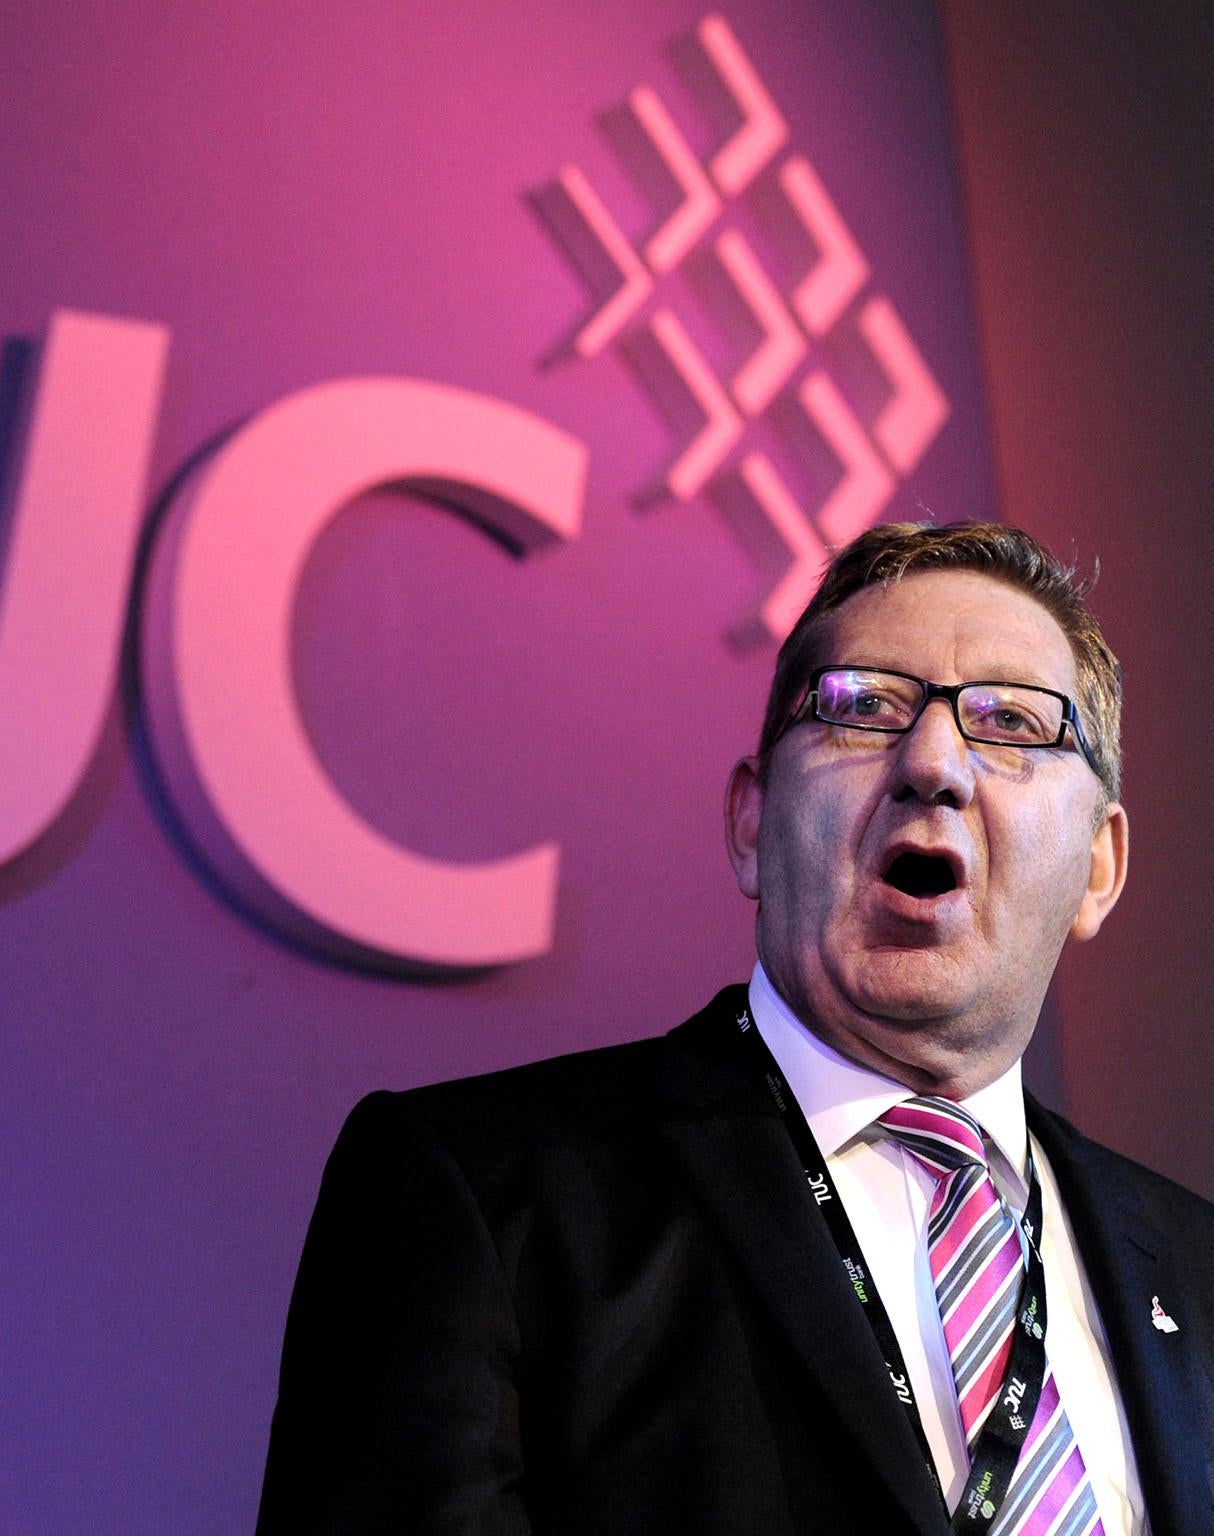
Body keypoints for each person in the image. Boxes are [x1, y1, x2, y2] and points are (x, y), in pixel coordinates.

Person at [255, 523, 1214, 1535]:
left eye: (1011, 722)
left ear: (1099, 866)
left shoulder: (1195, 1269)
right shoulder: (482, 1195)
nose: (933, 762)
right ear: (751, 823)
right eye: (863, 706)